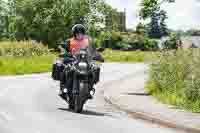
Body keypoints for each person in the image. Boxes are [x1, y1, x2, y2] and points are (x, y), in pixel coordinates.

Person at [58, 24, 103, 99]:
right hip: (73, 61)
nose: (79, 35)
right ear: (74, 34)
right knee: (66, 69)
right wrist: (64, 53)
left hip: (85, 61)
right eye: (77, 33)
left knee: (94, 70)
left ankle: (90, 89)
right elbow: (64, 50)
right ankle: (63, 89)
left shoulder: (88, 41)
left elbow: (93, 50)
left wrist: (98, 55)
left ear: (83, 34)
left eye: (81, 33)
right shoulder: (69, 41)